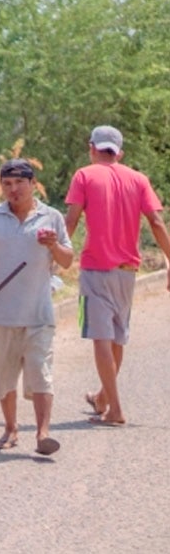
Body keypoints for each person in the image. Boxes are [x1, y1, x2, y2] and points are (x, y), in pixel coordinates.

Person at [0, 159, 73, 456]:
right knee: (3, 375)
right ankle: (11, 429)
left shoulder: (51, 218)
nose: (13, 190)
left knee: (40, 372)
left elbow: (66, 260)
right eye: (7, 184)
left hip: (39, 313)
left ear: (32, 183)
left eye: (19, 183)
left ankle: (43, 433)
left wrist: (53, 245)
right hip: (2, 313)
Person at [64, 125, 170, 427]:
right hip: (128, 272)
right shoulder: (138, 179)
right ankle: (102, 399)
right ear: (119, 152)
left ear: (92, 148)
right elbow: (157, 222)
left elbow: (70, 220)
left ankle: (116, 410)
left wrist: (53, 256)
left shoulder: (84, 175)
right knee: (117, 337)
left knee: (101, 338)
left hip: (96, 269)